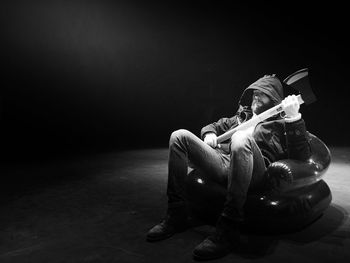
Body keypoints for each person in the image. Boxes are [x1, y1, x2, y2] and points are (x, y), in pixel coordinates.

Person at [146, 74, 311, 260]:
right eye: (254, 93)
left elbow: (301, 156)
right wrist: (209, 133)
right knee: (179, 136)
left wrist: (294, 117)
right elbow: (214, 125)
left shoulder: (280, 123)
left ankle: (228, 229)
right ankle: (176, 214)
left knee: (240, 138)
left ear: (273, 98)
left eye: (261, 94)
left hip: (255, 173)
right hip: (225, 164)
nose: (256, 97)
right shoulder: (242, 117)